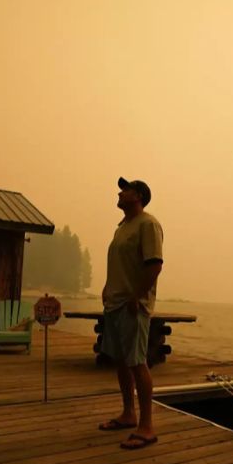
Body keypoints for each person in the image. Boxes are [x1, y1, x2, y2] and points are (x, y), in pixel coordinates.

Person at [98, 177, 164, 450]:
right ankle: (128, 414)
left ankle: (146, 427)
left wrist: (137, 296)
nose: (119, 192)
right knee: (121, 361)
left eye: (125, 189)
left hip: (133, 306)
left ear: (138, 195)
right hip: (114, 303)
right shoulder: (122, 227)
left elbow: (155, 265)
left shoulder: (148, 224)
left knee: (137, 362)